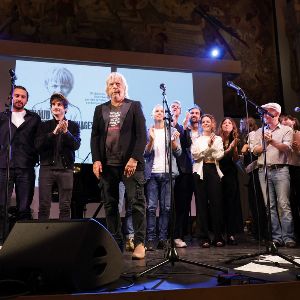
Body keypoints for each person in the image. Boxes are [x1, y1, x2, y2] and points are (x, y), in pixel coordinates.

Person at [91, 72, 147, 259]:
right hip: (107, 165)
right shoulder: (100, 109)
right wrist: (96, 159)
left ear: (124, 87)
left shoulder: (134, 106)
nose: (115, 86)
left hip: (130, 165)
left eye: (118, 83)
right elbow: (95, 137)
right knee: (110, 205)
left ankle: (139, 243)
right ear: (108, 89)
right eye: (112, 84)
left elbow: (142, 135)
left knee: (137, 203)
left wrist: (134, 158)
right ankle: (116, 242)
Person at [0, 86, 41, 242]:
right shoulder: (3, 117)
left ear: (27, 100)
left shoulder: (34, 118)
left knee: (24, 208)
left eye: (23, 96)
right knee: (1, 207)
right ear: (11, 97)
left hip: (26, 168)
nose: (19, 99)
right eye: (16, 95)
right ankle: (2, 242)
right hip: (4, 168)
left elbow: (39, 141)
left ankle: (22, 243)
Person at [253, 103, 296, 248]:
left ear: (276, 114)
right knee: (269, 206)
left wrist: (271, 140)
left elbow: (287, 148)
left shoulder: (286, 130)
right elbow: (255, 151)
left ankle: (288, 237)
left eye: (268, 113)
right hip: (263, 170)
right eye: (264, 113)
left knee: (283, 204)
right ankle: (277, 237)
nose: (264, 115)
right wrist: (264, 143)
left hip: (280, 170)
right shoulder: (259, 131)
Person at [35, 93, 81, 220]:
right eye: (53, 105)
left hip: (66, 170)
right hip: (46, 169)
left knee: (65, 207)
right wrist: (54, 132)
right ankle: (42, 237)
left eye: (59, 104)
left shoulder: (73, 126)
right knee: (44, 206)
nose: (56, 107)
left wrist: (66, 132)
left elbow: (76, 145)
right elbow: (38, 146)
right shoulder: (44, 126)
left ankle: (63, 239)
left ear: (65, 109)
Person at [144, 104, 181, 250]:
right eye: (157, 111)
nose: (159, 113)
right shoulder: (148, 131)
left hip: (168, 174)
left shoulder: (172, 131)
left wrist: (172, 141)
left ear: (165, 114)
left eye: (162, 111)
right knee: (152, 208)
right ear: (153, 115)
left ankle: (163, 238)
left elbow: (178, 153)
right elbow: (145, 154)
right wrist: (151, 140)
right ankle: (151, 239)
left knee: (166, 208)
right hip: (152, 174)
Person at [191, 114, 224, 248]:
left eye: (208, 122)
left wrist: (209, 148)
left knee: (216, 203)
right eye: (203, 122)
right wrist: (209, 147)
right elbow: (195, 155)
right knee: (202, 204)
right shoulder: (197, 139)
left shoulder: (218, 138)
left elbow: (219, 154)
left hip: (213, 170)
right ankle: (203, 237)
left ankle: (218, 236)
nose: (205, 123)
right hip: (200, 171)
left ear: (212, 124)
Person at [171, 100, 194, 248]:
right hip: (167, 169)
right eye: (173, 107)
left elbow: (186, 144)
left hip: (184, 170)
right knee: (168, 205)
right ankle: (166, 236)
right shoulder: (162, 125)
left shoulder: (183, 126)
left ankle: (179, 235)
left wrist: (185, 127)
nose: (175, 109)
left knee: (182, 205)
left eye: (177, 107)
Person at [240, 117, 268, 241]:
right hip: (251, 174)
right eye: (244, 125)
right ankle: (258, 231)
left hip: (259, 171)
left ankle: (263, 232)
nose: (247, 128)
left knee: (260, 203)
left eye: (249, 125)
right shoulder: (243, 140)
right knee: (254, 203)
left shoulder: (256, 136)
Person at [218, 117, 244, 245]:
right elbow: (218, 157)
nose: (227, 125)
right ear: (221, 126)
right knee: (219, 203)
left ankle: (231, 233)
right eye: (224, 123)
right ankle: (220, 233)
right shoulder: (217, 139)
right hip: (218, 173)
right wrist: (229, 148)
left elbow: (235, 159)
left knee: (231, 203)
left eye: (229, 123)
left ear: (233, 126)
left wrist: (234, 147)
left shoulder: (236, 140)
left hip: (231, 174)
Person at [280, 115, 300, 242]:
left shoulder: (298, 133)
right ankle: (295, 232)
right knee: (290, 201)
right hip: (286, 169)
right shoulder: (282, 135)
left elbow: (298, 154)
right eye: (282, 121)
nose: (284, 121)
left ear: (293, 121)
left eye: (287, 119)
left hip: (297, 168)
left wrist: (297, 149)